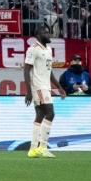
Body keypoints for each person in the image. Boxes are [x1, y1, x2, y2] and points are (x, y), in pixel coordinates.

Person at [22, 27, 63, 158]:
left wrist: (59, 87)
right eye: (44, 32)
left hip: (45, 86)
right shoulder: (33, 49)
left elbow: (48, 71)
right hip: (38, 87)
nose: (48, 34)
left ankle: (33, 149)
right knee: (50, 113)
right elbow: (26, 70)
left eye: (47, 31)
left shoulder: (48, 50)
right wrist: (28, 90)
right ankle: (43, 147)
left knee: (40, 115)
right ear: (38, 35)